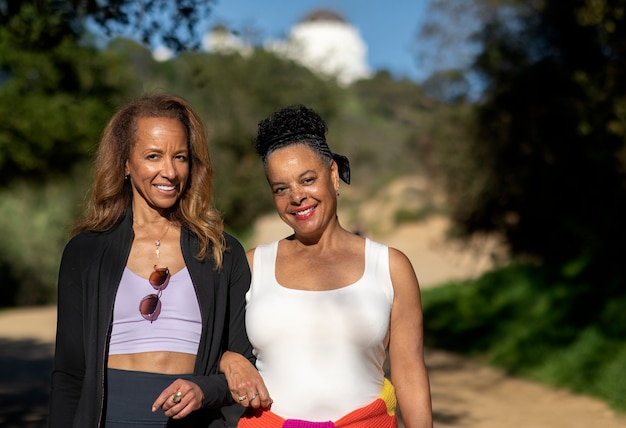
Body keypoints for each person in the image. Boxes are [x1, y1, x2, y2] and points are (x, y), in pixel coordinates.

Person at [48, 94, 264, 427]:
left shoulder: (222, 253)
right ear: (124, 163)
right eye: (153, 156)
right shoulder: (86, 252)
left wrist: (203, 389)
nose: (170, 171)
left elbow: (243, 365)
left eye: (180, 157)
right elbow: (69, 372)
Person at [229, 105, 433, 427]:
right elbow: (216, 346)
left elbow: (409, 373)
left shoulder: (390, 267)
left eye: (307, 180)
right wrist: (228, 361)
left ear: (334, 175)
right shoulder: (252, 266)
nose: (296, 197)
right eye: (281, 188)